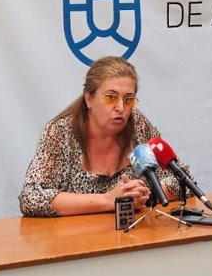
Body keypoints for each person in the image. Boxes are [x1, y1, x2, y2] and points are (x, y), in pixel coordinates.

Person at [19, 56, 178, 216]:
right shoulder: (61, 132)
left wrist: (143, 196)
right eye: (111, 97)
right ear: (89, 98)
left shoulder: (137, 124)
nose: (121, 107)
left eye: (129, 99)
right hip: (76, 231)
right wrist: (107, 200)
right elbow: (31, 197)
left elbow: (180, 179)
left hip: (130, 230)